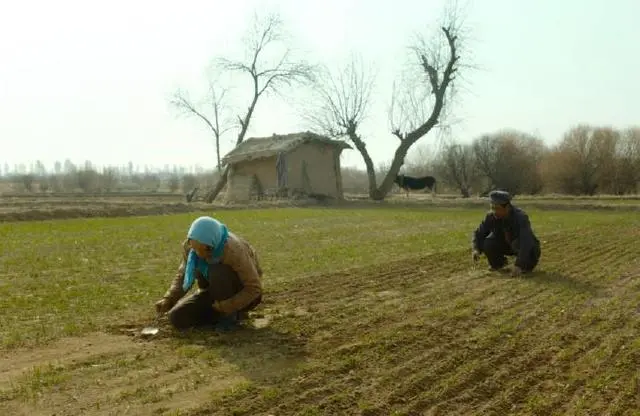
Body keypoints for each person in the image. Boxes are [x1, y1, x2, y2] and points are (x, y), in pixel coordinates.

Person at [155, 216, 263, 330]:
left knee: (217, 271)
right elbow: (183, 275)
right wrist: (169, 299)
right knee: (177, 317)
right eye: (195, 250)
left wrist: (226, 306)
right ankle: (219, 315)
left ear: (212, 244)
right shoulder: (190, 247)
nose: (199, 255)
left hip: (242, 295)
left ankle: (230, 316)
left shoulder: (233, 250)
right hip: (213, 293)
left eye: (204, 250)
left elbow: (254, 288)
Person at [471, 190, 541, 276]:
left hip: (525, 248)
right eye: (492, 208)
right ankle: (499, 264)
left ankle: (524, 266)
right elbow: (479, 233)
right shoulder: (491, 217)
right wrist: (476, 249)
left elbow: (526, 242)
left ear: (507, 207)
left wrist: (519, 265)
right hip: (507, 244)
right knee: (489, 242)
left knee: (519, 244)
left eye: (497, 208)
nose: (494, 211)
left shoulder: (520, 218)